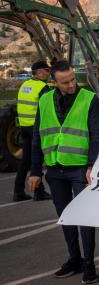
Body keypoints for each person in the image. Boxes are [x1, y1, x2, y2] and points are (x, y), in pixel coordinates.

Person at [28, 60, 99, 284]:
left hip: (80, 169)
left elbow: (96, 136)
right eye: (65, 82)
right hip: (55, 169)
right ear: (54, 81)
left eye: (72, 79)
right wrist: (34, 171)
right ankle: (75, 259)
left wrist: (92, 166)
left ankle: (89, 263)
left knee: (85, 216)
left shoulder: (88, 99)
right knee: (66, 217)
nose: (71, 84)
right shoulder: (44, 100)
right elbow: (37, 138)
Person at [13, 60, 52, 202]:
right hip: (36, 128)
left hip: (24, 127)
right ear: (40, 72)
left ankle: (18, 191)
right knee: (37, 160)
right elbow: (48, 110)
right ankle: (39, 192)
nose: (49, 73)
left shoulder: (25, 85)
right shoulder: (43, 87)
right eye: (47, 71)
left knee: (25, 160)